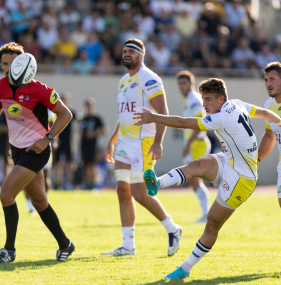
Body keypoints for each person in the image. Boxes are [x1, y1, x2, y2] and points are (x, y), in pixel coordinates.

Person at [133, 78, 281, 278]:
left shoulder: (221, 118)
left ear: (221, 99)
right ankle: (158, 183)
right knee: (197, 165)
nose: (205, 105)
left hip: (242, 180)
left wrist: (153, 117)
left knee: (212, 223)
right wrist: (279, 120)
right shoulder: (238, 104)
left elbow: (183, 122)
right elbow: (263, 113)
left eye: (209, 100)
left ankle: (185, 268)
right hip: (229, 162)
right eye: (203, 100)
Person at [0, 42, 75, 263]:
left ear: (24, 63)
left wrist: (47, 139)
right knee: (40, 201)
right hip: (17, 150)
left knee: (6, 194)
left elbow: (66, 114)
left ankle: (9, 251)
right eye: (4, 63)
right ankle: (66, 244)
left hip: (37, 149)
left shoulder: (39, 89)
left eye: (13, 62)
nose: (8, 67)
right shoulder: (1, 86)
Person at [102, 38, 181, 256]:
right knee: (122, 190)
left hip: (143, 143)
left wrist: (158, 141)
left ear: (141, 55)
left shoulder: (149, 78)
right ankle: (128, 246)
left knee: (140, 192)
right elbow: (125, 115)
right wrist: (112, 140)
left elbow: (162, 110)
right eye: (124, 51)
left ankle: (173, 229)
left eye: (131, 51)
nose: (126, 54)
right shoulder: (123, 80)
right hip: (125, 143)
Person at [176, 70, 210, 223]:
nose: (181, 86)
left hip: (197, 144)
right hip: (194, 144)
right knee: (193, 181)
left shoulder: (193, 99)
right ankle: (206, 213)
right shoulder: (188, 99)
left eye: (184, 83)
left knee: (195, 180)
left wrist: (188, 144)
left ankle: (206, 215)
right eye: (180, 84)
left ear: (191, 84)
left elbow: (200, 123)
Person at [258, 62, 281, 207]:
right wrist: (255, 161)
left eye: (272, 79)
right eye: (266, 80)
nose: (268, 83)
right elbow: (269, 136)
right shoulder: (268, 105)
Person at [80, 97, 106, 190]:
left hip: (92, 146)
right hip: (84, 146)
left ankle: (94, 185)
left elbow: (104, 130)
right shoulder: (83, 118)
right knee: (86, 166)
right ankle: (87, 185)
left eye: (90, 105)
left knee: (93, 166)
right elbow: (80, 131)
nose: (88, 107)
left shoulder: (97, 118)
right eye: (87, 105)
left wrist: (94, 133)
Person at [54, 92, 78, 190]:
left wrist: (75, 135)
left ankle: (70, 183)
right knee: (58, 164)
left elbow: (81, 122)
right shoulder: (56, 112)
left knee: (69, 163)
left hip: (68, 141)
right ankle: (58, 184)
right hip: (59, 141)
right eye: (62, 99)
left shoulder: (72, 111)